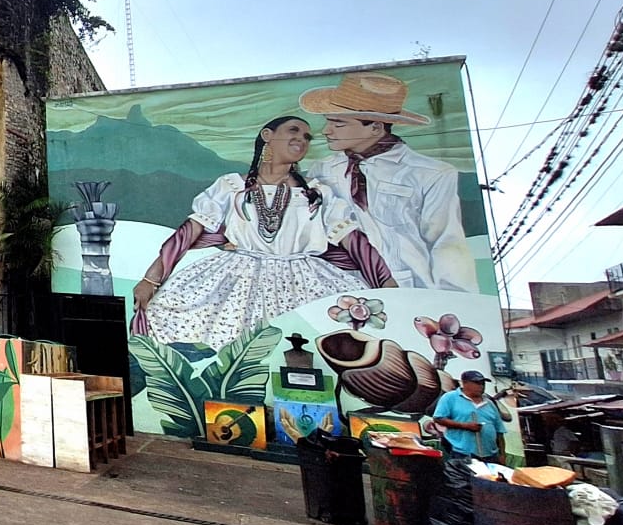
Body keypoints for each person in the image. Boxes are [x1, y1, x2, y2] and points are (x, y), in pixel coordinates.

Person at [132, 116, 397, 348]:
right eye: (294, 131)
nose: (301, 140)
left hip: (302, 281)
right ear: (267, 136)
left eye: (307, 137)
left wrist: (387, 287)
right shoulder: (231, 185)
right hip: (238, 278)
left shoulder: (317, 193)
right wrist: (151, 279)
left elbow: (355, 242)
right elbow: (189, 232)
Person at [300, 72, 479, 293]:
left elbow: (447, 244)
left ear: (375, 127)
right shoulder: (323, 169)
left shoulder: (432, 173)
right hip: (339, 291)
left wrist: (459, 305)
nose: (326, 131)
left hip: (410, 291)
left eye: (338, 123)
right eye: (328, 121)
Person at [432, 370, 506, 461]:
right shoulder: (450, 398)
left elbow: (499, 431)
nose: (481, 386)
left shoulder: (489, 403)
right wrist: (464, 426)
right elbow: (438, 418)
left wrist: (502, 455)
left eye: (483, 383)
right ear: (464, 383)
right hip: (462, 454)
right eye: (477, 383)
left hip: (490, 455)